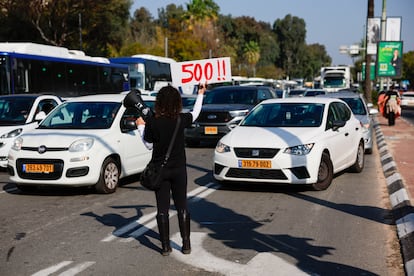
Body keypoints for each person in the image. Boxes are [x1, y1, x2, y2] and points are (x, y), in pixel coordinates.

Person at [136, 83, 206, 256]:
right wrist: (201, 93)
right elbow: (195, 114)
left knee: (162, 209)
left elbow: (148, 145)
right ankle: (186, 245)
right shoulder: (181, 119)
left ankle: (165, 247)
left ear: (159, 102)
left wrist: (140, 126)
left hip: (160, 171)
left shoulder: (153, 121)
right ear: (177, 102)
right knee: (182, 207)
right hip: (179, 170)